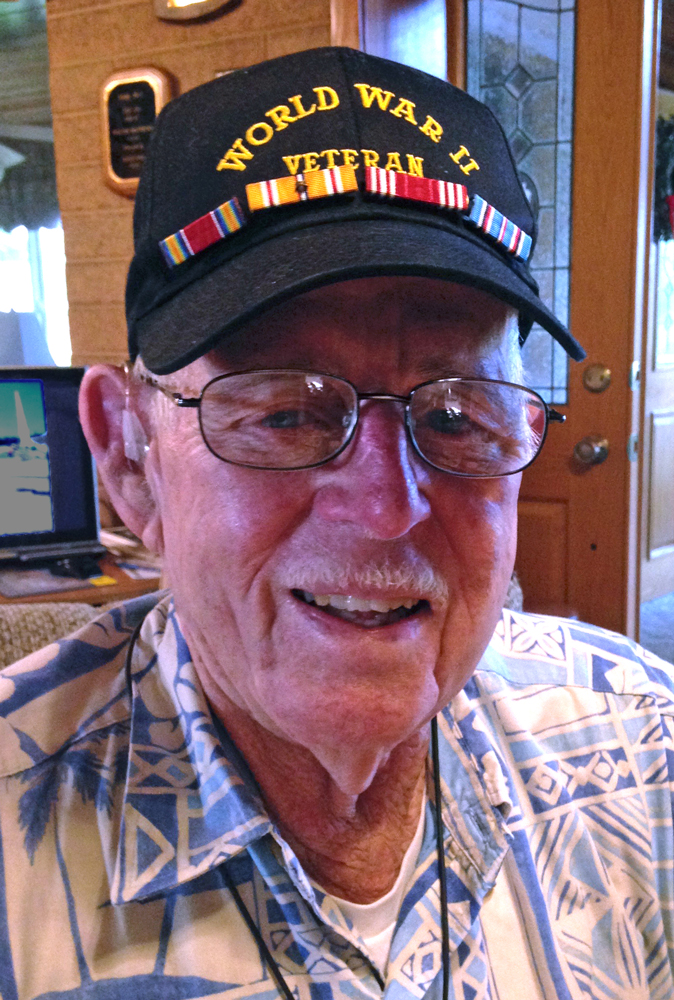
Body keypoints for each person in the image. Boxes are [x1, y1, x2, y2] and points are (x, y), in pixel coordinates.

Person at [0, 46, 673, 999]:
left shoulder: (645, 741)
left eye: (455, 416)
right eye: (285, 414)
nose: (388, 507)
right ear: (129, 460)